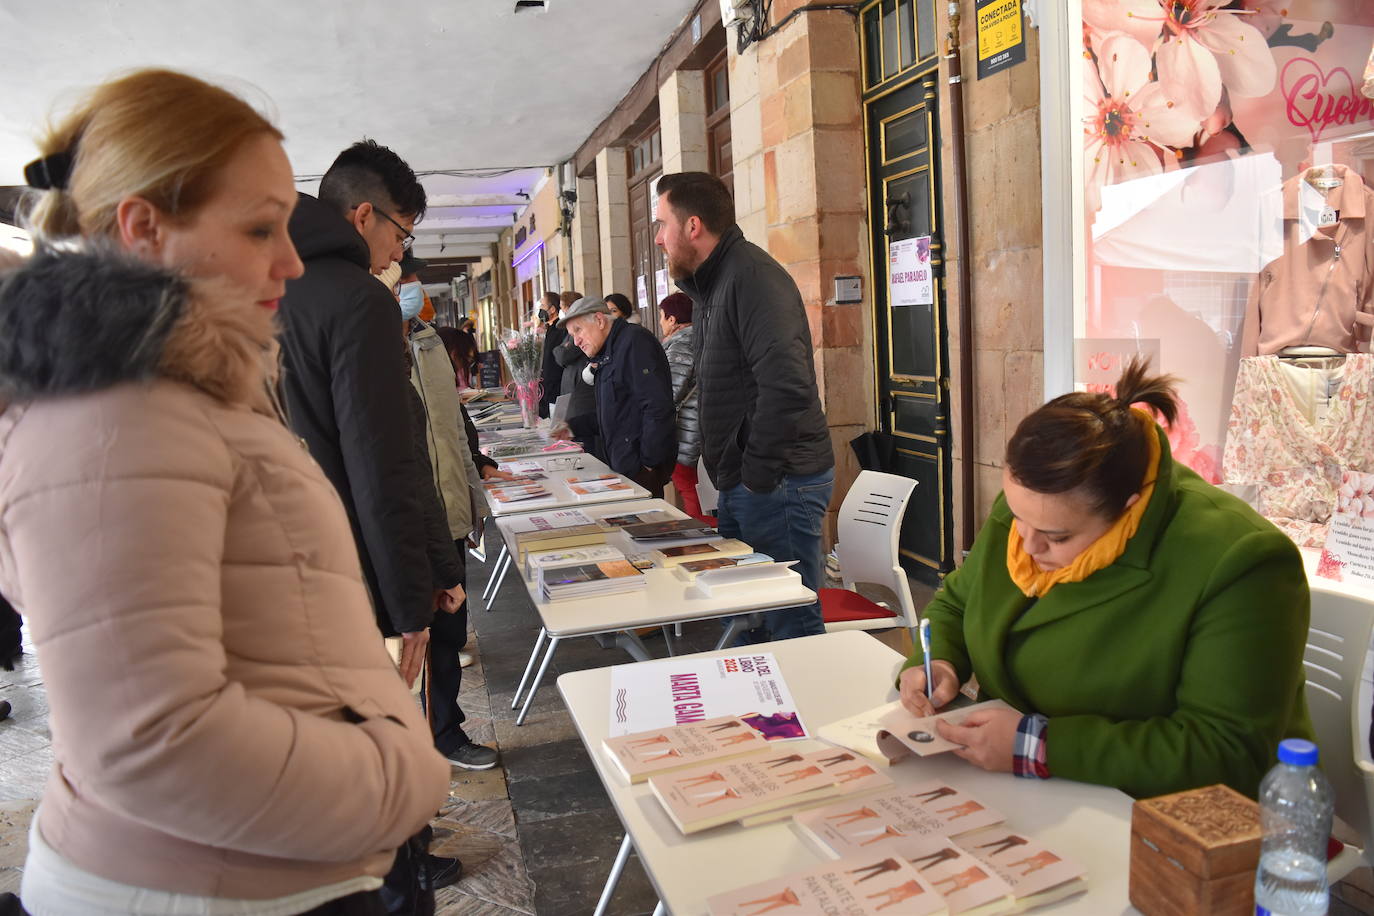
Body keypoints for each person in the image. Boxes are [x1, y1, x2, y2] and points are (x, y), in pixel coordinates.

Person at [0, 68, 448, 914]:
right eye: (258, 228)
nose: (288, 259)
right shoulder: (112, 416)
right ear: (142, 229)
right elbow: (151, 742)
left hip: (252, 867)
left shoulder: (172, 386)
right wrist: (398, 776)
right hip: (207, 883)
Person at [897, 359, 1314, 800]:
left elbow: (1226, 750)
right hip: (1037, 792)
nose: (1029, 545)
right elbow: (960, 602)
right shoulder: (1037, 507)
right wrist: (939, 661)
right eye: (1017, 518)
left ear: (1128, 509)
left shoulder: (1241, 561)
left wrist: (1039, 746)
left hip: (1170, 815)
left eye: (1057, 537)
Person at [278, 140, 462, 683]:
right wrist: (409, 605)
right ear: (364, 216)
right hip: (342, 567)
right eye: (401, 234)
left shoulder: (266, 286)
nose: (398, 254)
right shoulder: (359, 301)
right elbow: (380, 463)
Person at [656, 171, 834, 642]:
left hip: (776, 484)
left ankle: (806, 712)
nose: (659, 239)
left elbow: (787, 388)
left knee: (788, 618)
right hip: (747, 484)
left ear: (692, 226)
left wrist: (755, 476)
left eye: (662, 224)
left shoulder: (751, 278)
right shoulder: (715, 284)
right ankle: (764, 713)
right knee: (747, 616)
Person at [404, 295, 503, 771]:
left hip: (448, 511)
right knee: (413, 634)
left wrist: (474, 502)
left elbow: (456, 433)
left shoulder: (428, 344)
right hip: (404, 518)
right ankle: (420, 736)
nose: (415, 293)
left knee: (448, 632)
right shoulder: (364, 341)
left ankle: (444, 729)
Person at [555, 296, 677, 497]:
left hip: (640, 471)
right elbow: (615, 410)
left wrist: (648, 463)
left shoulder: (634, 342)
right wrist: (573, 427)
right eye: (571, 334)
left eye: (578, 330)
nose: (575, 342)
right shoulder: (607, 353)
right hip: (624, 467)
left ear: (600, 320)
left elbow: (657, 407)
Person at [658, 292, 708, 522]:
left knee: (691, 491)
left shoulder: (681, 344)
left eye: (662, 316)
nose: (660, 322)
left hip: (688, 430)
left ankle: (705, 545)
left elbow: (671, 391)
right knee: (699, 491)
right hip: (701, 425)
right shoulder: (703, 337)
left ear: (672, 319)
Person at [537, 290, 565, 418]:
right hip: (546, 385)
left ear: (552, 309)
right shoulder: (548, 329)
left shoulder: (560, 329)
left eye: (543, 306)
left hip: (555, 387)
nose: (540, 309)